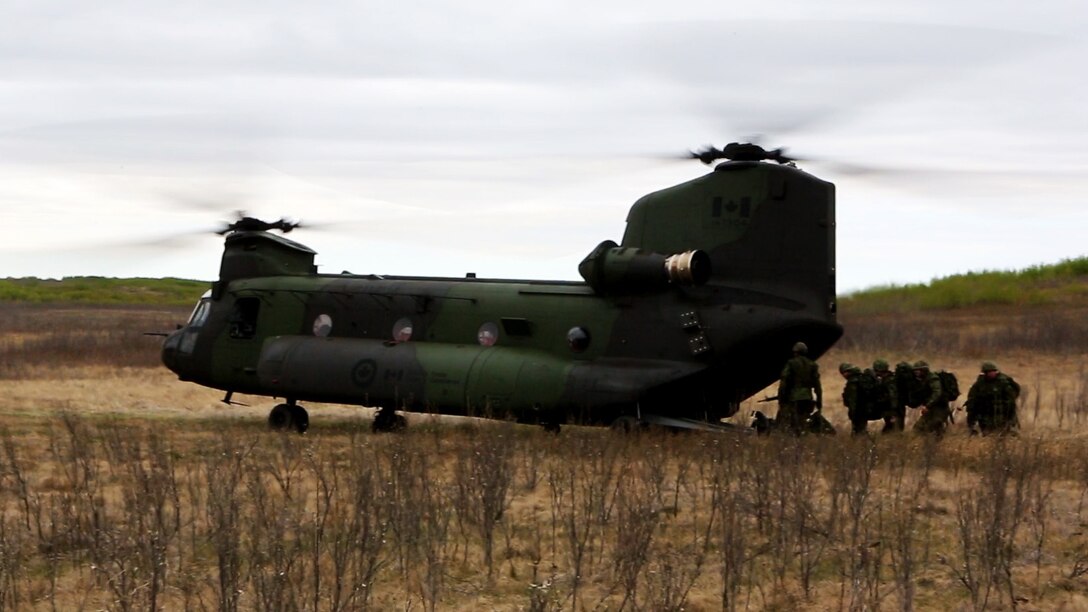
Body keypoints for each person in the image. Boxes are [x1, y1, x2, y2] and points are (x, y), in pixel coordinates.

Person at [776, 341, 823, 435]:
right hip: (807, 398)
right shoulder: (812, 365)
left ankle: (794, 441)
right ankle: (803, 438)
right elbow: (817, 386)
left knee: (790, 422)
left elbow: (784, 382)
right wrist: (819, 401)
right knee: (803, 422)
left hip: (793, 398)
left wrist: (781, 398)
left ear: (795, 352)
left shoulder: (791, 363)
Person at [965, 362, 1021, 435]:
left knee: (1005, 434)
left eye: (993, 371)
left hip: (1002, 414)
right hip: (986, 415)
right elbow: (972, 399)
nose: (992, 373)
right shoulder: (980, 384)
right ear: (985, 373)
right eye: (990, 372)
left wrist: (1009, 412)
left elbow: (1011, 398)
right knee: (987, 434)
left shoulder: (1003, 382)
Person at [909, 360, 950, 436]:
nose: (916, 373)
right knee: (918, 428)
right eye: (915, 371)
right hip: (931, 408)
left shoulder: (933, 378)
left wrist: (928, 405)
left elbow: (937, 393)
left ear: (923, 370)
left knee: (934, 426)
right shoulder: (921, 380)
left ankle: (937, 443)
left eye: (918, 370)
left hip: (940, 407)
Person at [871, 359, 902, 433]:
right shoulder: (885, 379)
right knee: (891, 428)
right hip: (889, 408)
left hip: (892, 409)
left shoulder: (890, 381)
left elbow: (893, 396)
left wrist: (894, 412)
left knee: (893, 429)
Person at [839, 362, 868, 435]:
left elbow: (853, 399)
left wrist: (853, 411)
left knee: (858, 431)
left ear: (848, 372)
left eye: (843, 373)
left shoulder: (852, 381)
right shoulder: (860, 378)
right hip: (864, 408)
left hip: (858, 410)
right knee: (861, 429)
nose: (843, 375)